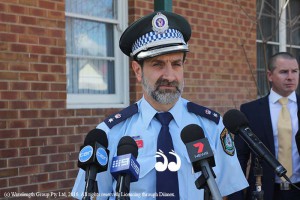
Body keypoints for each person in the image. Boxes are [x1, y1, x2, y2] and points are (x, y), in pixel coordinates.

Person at [72, 11, 248, 200]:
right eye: (158, 64)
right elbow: (92, 196)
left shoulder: (211, 127)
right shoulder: (111, 133)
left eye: (176, 64)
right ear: (138, 70)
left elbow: (227, 193)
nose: (170, 76)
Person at [228, 52, 300, 200]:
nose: (290, 77)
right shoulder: (251, 110)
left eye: (295, 71)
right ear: (269, 75)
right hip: (264, 192)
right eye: (283, 72)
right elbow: (240, 156)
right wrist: (236, 195)